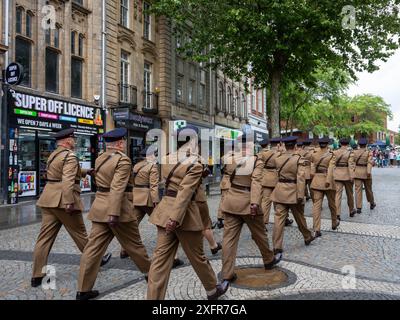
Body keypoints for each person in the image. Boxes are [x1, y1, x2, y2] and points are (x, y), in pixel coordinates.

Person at [147, 125, 228, 300]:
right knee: (197, 256)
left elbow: (169, 185)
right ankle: (213, 289)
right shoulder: (195, 164)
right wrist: (175, 220)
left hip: (165, 211)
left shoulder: (167, 159)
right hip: (184, 215)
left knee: (159, 261)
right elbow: (184, 192)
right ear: (192, 141)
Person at [76, 128, 151, 300]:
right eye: (123, 141)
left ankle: (83, 289)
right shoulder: (122, 160)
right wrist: (114, 213)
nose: (124, 144)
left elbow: (101, 182)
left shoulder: (100, 158)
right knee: (135, 246)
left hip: (100, 207)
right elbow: (117, 187)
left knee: (92, 249)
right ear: (119, 143)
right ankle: (152, 275)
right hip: (117, 210)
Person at [31, 128, 111, 288]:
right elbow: (67, 179)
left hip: (48, 198)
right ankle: (97, 259)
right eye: (73, 139)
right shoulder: (70, 156)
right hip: (63, 200)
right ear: (68, 141)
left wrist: (86, 171)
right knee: (80, 233)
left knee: (44, 238)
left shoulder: (55, 154)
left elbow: (58, 172)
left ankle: (37, 275)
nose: (75, 141)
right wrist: (69, 202)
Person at [220, 133, 280, 287]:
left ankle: (227, 275)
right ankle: (268, 260)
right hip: (248, 203)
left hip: (231, 202)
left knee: (228, 240)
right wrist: (254, 202)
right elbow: (256, 181)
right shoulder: (255, 160)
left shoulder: (229, 158)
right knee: (260, 235)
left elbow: (226, 175)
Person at [271, 136, 315, 257]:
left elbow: (276, 175)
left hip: (280, 192)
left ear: (285, 145)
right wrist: (301, 196)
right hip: (293, 192)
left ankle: (277, 246)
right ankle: (307, 236)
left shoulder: (278, 159)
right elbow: (301, 178)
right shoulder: (298, 159)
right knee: (300, 218)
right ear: (295, 146)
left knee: (278, 220)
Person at [120, 146, 160, 259]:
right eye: (155, 155)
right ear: (151, 155)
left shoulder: (136, 166)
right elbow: (153, 186)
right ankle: (168, 252)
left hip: (136, 196)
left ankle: (124, 249)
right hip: (147, 198)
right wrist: (156, 201)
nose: (156, 157)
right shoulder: (152, 166)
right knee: (161, 223)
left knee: (132, 224)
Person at [258, 137, 291, 230]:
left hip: (266, 179)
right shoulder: (280, 154)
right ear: (278, 144)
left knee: (266, 202)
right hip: (277, 179)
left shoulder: (264, 154)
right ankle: (283, 220)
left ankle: (263, 223)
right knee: (279, 202)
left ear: (270, 144)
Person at [310, 137, 340, 238]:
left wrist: (313, 177)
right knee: (332, 204)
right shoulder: (331, 155)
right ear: (327, 144)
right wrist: (327, 180)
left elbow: (312, 168)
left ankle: (316, 228)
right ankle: (334, 222)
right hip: (328, 182)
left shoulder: (314, 154)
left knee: (316, 206)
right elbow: (331, 168)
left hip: (317, 181)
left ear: (319, 144)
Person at [333, 138, 356, 219]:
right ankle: (351, 210)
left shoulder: (335, 152)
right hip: (347, 175)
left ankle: (337, 213)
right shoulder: (350, 153)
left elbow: (333, 164)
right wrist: (352, 176)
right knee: (350, 194)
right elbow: (351, 165)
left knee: (337, 195)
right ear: (348, 144)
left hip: (337, 175)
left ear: (340, 143)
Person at [353, 138, 376, 213]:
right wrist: (368, 172)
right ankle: (372, 203)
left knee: (357, 190)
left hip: (357, 173)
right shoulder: (368, 152)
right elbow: (369, 163)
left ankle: (359, 207)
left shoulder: (354, 152)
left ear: (359, 145)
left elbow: (352, 163)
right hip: (366, 173)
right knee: (369, 190)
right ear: (366, 145)